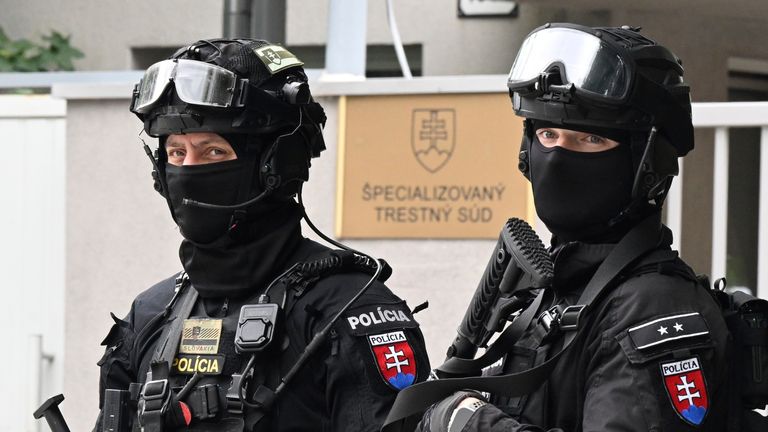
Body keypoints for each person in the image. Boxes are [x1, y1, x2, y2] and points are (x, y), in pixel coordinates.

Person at [94, 38, 429, 432]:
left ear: (273, 165)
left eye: (213, 152)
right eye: (176, 153)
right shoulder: (150, 314)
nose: (189, 169)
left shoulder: (349, 312)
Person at [416, 24, 729, 431]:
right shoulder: (560, 289)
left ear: (646, 164)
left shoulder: (652, 309)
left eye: (589, 140)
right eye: (548, 134)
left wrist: (468, 422)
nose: (559, 156)